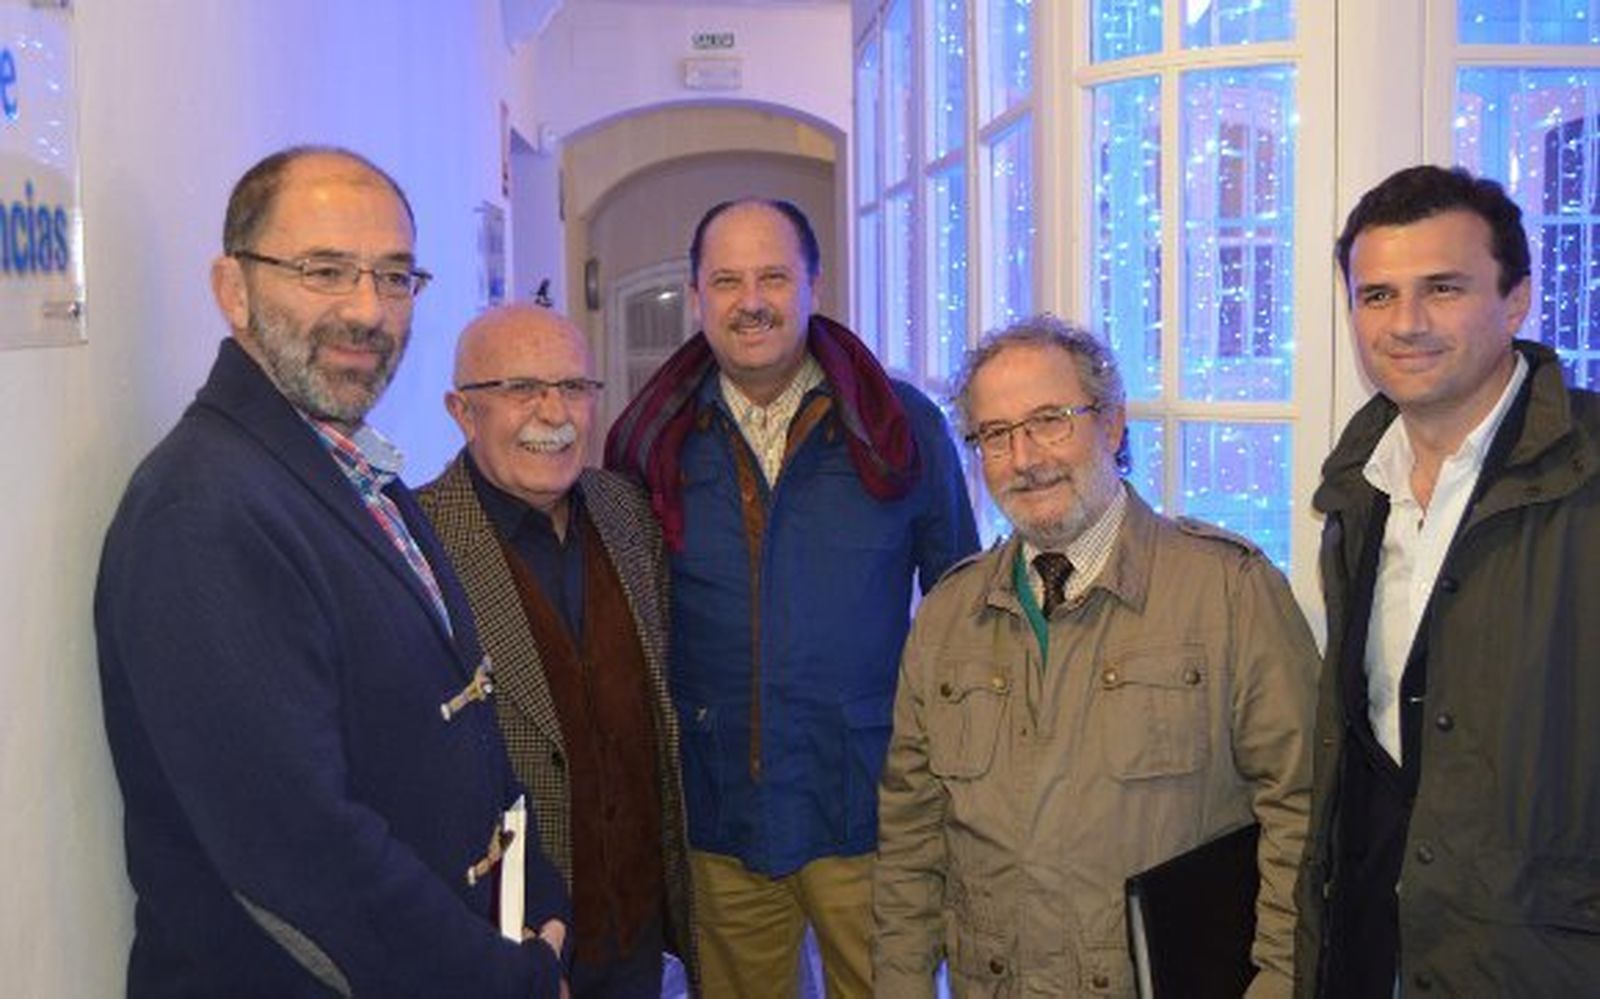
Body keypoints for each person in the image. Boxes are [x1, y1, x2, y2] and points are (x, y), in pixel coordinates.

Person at [94, 146, 570, 997]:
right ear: (232, 289)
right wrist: (512, 980)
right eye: (324, 271)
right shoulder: (202, 512)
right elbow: (304, 853)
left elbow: (468, 713)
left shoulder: (349, 466)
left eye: (394, 277)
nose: (368, 311)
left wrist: (539, 897)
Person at [873, 314, 1318, 997]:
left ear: (1111, 424)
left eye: (1051, 419)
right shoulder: (946, 618)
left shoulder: (1229, 592)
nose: (1025, 457)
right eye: (996, 434)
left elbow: (1304, 814)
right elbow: (911, 841)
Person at [606, 198, 978, 997]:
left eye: (774, 275)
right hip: (721, 815)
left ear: (813, 283)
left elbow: (961, 603)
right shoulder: (650, 440)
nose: (752, 301)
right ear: (697, 293)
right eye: (728, 280)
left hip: (872, 807)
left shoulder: (900, 425)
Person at [1295, 165, 1600, 995]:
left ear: (1518, 299)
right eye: (1377, 295)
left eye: (1443, 287)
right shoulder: (1357, 489)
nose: (1408, 323)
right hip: (1378, 947)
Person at [417, 303, 697, 997]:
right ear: (462, 410)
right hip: (513, 945)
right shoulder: (418, 543)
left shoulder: (629, 513)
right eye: (520, 389)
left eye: (574, 387)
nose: (555, 412)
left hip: (637, 933)